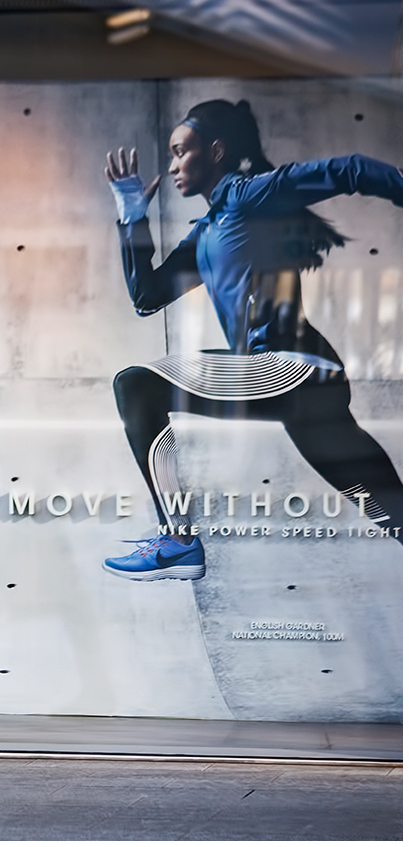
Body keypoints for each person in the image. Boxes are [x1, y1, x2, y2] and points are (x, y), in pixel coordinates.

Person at [101, 99, 403, 581]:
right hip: (300, 391)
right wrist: (132, 214)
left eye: (182, 152)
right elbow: (146, 296)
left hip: (292, 367)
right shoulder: (204, 235)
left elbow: (349, 170)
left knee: (136, 384)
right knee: (392, 511)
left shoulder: (248, 195)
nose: (174, 165)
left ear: (215, 151)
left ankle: (177, 540)